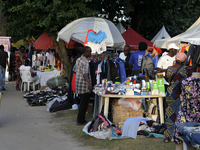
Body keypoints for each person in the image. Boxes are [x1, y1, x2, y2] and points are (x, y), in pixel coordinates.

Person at [163, 52, 193, 143]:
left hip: (171, 93)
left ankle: (167, 137)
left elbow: (167, 80)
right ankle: (179, 135)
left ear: (175, 59)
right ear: (184, 61)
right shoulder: (187, 69)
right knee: (181, 115)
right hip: (181, 93)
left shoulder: (169, 69)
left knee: (168, 114)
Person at [73, 46, 92, 125]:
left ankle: (80, 119)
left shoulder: (79, 59)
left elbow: (74, 69)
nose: (90, 53)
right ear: (85, 52)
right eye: (89, 52)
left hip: (78, 84)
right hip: (84, 86)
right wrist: (89, 83)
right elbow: (85, 73)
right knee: (83, 104)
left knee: (81, 103)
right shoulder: (85, 61)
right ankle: (80, 121)